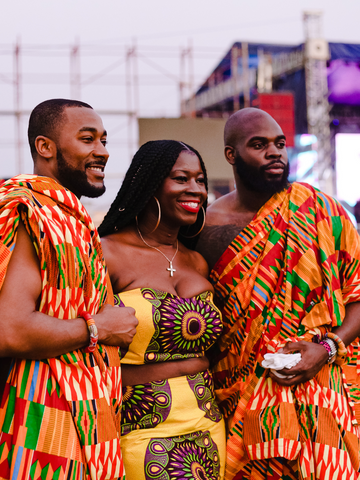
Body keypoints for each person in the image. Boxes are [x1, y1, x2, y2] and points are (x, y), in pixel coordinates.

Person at [196, 108, 360, 479]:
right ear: (231, 155)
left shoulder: (324, 212)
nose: (275, 152)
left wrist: (327, 348)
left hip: (322, 390)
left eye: (279, 143)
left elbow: (358, 296)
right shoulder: (205, 229)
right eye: (259, 145)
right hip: (242, 396)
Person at [0, 99, 138, 480]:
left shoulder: (71, 218)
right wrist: (99, 328)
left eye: (104, 140)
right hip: (43, 420)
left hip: (91, 417)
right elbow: (9, 330)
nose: (103, 151)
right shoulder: (33, 211)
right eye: (87, 139)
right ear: (45, 147)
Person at [98, 140, 226, 480]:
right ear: (150, 183)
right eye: (182, 178)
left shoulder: (197, 261)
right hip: (141, 429)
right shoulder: (106, 253)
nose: (195, 190)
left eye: (200, 180)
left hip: (209, 426)